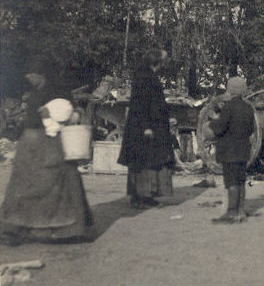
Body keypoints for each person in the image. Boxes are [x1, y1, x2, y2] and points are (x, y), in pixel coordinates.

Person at [1, 59, 94, 244]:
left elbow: (74, 114)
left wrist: (54, 117)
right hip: (30, 145)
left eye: (32, 74)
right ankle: (17, 228)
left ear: (42, 74)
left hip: (51, 143)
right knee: (23, 184)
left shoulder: (58, 91)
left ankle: (64, 231)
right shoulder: (38, 91)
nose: (28, 77)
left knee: (57, 183)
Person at [117, 49, 175, 209]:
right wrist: (146, 127)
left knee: (152, 161)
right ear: (158, 61)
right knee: (144, 162)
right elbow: (140, 105)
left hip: (153, 126)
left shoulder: (148, 75)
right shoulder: (144, 77)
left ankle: (148, 196)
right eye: (165, 59)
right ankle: (139, 198)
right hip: (144, 127)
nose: (166, 62)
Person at [205, 77, 253, 224]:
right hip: (243, 150)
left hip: (229, 151)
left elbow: (219, 128)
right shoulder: (248, 108)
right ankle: (240, 211)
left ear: (231, 90)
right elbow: (252, 129)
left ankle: (231, 213)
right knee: (240, 180)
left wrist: (212, 120)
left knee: (231, 181)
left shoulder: (229, 107)